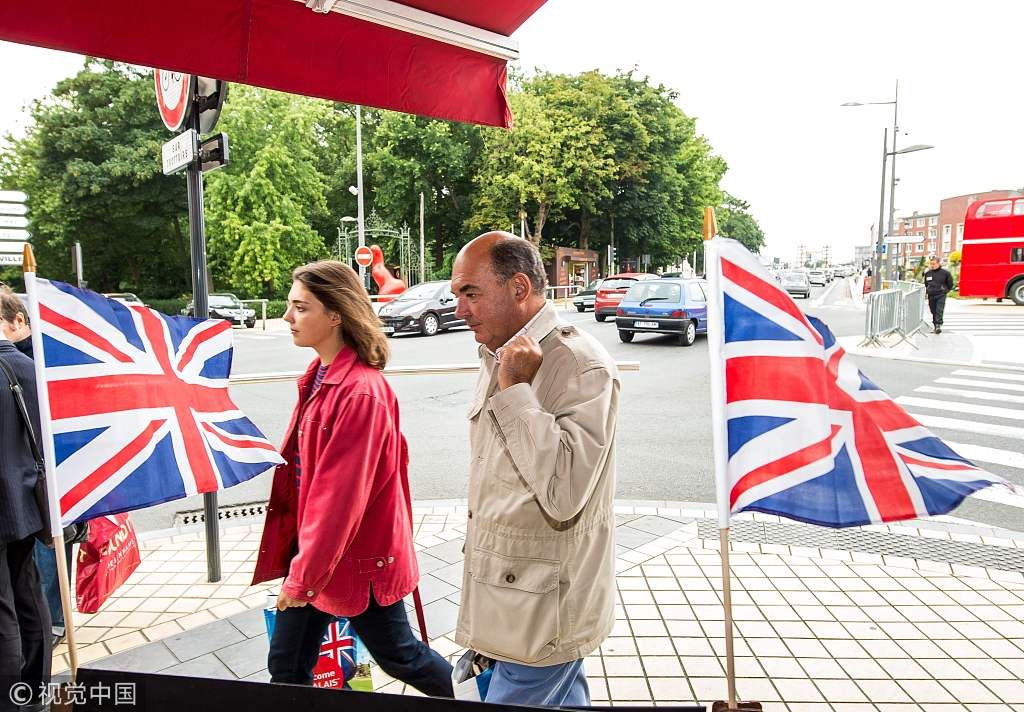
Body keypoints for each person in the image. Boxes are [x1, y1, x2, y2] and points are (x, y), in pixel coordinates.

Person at [252, 261, 452, 695]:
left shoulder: (360, 392)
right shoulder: (319, 377)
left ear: (336, 314)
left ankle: (484, 701)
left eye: (300, 308)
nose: (287, 318)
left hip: (357, 563)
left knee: (402, 657)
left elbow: (337, 502)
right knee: (286, 668)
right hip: (318, 555)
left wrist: (300, 579)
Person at [451, 233, 619, 706]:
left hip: (543, 606)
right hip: (510, 593)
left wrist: (515, 392)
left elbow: (564, 490)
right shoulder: (501, 352)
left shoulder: (579, 364)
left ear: (519, 287)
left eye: (470, 293)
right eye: (456, 296)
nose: (460, 310)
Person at [0, 289, 75, 648]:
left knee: (28, 587)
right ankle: (36, 675)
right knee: (28, 587)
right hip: (28, 492)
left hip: (29, 491)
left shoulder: (34, 360)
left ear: (18, 320)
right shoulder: (26, 363)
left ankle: (56, 622)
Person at [0, 291, 51, 711]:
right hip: (23, 505)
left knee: (5, 609)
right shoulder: (24, 367)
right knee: (26, 594)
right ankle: (33, 689)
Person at [924, 257, 954, 333]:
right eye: (931, 264)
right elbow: (926, 284)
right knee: (933, 310)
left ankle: (938, 325)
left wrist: (945, 291)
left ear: (938, 263)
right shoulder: (928, 273)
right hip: (931, 295)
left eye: (934, 264)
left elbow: (950, 284)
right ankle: (935, 325)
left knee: (939, 310)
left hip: (941, 294)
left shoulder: (945, 273)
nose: (932, 265)